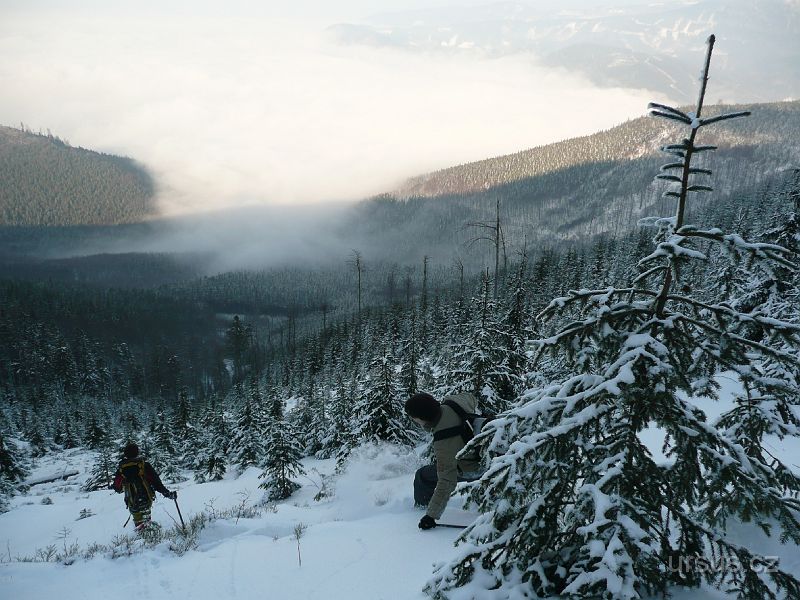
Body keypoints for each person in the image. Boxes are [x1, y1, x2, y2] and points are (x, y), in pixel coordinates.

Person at [405, 391, 482, 530]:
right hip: (494, 457)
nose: (415, 421)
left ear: (422, 418)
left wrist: (431, 515)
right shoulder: (453, 403)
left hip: (477, 469)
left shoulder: (444, 442)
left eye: (414, 418)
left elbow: (447, 481)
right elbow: (471, 397)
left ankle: (422, 508)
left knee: (422, 475)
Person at [112, 442, 177, 530]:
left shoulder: (121, 469)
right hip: (146, 497)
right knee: (146, 517)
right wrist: (167, 493)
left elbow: (117, 487)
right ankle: (148, 532)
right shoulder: (144, 465)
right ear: (137, 452)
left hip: (131, 499)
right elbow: (156, 482)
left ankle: (141, 532)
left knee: (138, 518)